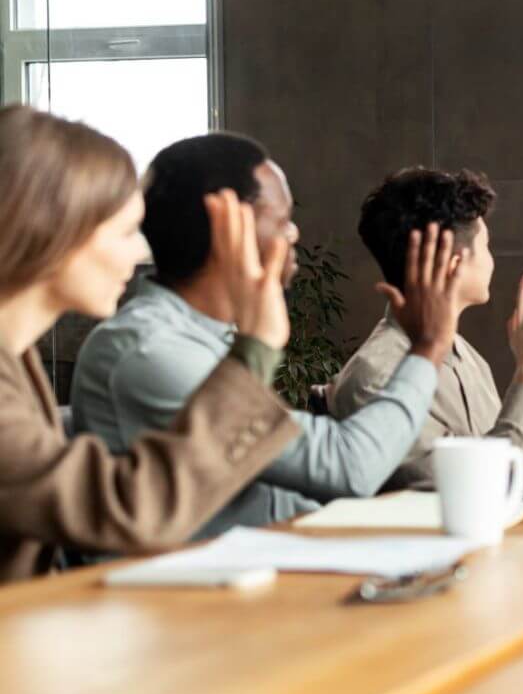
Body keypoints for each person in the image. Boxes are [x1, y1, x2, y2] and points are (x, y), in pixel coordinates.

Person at [72, 135, 459, 539]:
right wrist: (427, 347)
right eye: (280, 218)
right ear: (223, 223)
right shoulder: (150, 352)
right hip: (193, 594)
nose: (292, 233)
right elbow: (350, 465)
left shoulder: (205, 340)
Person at [0, 106, 300, 582]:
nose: (141, 252)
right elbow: (130, 508)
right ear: (50, 231)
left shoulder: (15, 358)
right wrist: (256, 346)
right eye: (124, 233)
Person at [332, 168, 523, 488]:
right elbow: (468, 485)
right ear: (455, 264)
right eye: (487, 247)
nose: (492, 261)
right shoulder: (375, 377)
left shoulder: (467, 358)